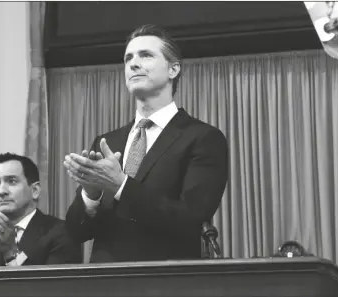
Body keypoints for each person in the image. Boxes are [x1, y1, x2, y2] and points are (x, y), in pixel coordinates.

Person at [63, 24, 229, 263]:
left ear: (173, 69)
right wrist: (92, 194)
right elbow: (76, 232)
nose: (133, 63)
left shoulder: (202, 137)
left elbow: (190, 218)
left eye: (146, 55)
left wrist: (121, 185)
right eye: (128, 58)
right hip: (103, 283)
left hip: (164, 282)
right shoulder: (107, 141)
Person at [0, 153, 82, 267]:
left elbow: (54, 288)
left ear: (35, 191)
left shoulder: (63, 233)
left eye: (12, 181)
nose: (1, 191)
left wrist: (11, 253)